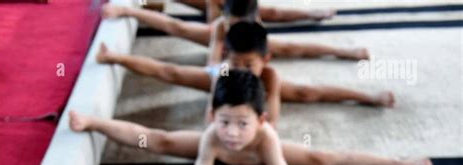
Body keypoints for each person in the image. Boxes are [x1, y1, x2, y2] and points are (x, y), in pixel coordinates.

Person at [69, 70, 434, 165]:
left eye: (242, 124)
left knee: (322, 158)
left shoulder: (266, 138)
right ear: (212, 116)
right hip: (220, 154)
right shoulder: (214, 135)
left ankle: (399, 163)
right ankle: (94, 122)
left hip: (261, 154)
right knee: (159, 140)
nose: (232, 133)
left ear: (262, 120)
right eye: (225, 121)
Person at [96, 21, 396, 122]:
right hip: (227, 100)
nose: (242, 70)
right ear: (227, 56)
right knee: (172, 74)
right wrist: (116, 58)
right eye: (237, 63)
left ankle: (368, 96)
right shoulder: (221, 73)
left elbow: (272, 120)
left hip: (255, 104)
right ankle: (117, 57)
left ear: (265, 59)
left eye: (248, 65)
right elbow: (168, 72)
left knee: (309, 92)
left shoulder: (268, 77)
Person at [101, 0, 367, 63]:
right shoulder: (217, 28)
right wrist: (127, 11)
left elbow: (299, 46)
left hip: (236, 21)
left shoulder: (255, 21)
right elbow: (175, 26)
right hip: (218, 21)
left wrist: (344, 50)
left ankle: (318, 22)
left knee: (290, 45)